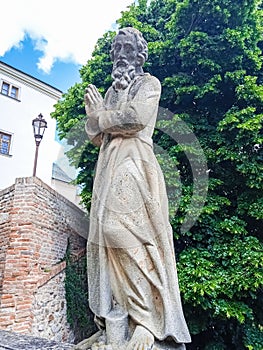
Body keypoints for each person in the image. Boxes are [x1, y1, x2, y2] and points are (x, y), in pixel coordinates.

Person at [84, 27, 191, 350]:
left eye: (126, 48)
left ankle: (147, 320)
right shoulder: (112, 91)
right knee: (104, 239)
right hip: (108, 167)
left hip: (135, 165)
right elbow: (94, 133)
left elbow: (135, 119)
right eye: (116, 48)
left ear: (140, 55)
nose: (119, 53)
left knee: (125, 231)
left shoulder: (149, 83)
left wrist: (100, 117)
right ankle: (116, 323)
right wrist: (101, 119)